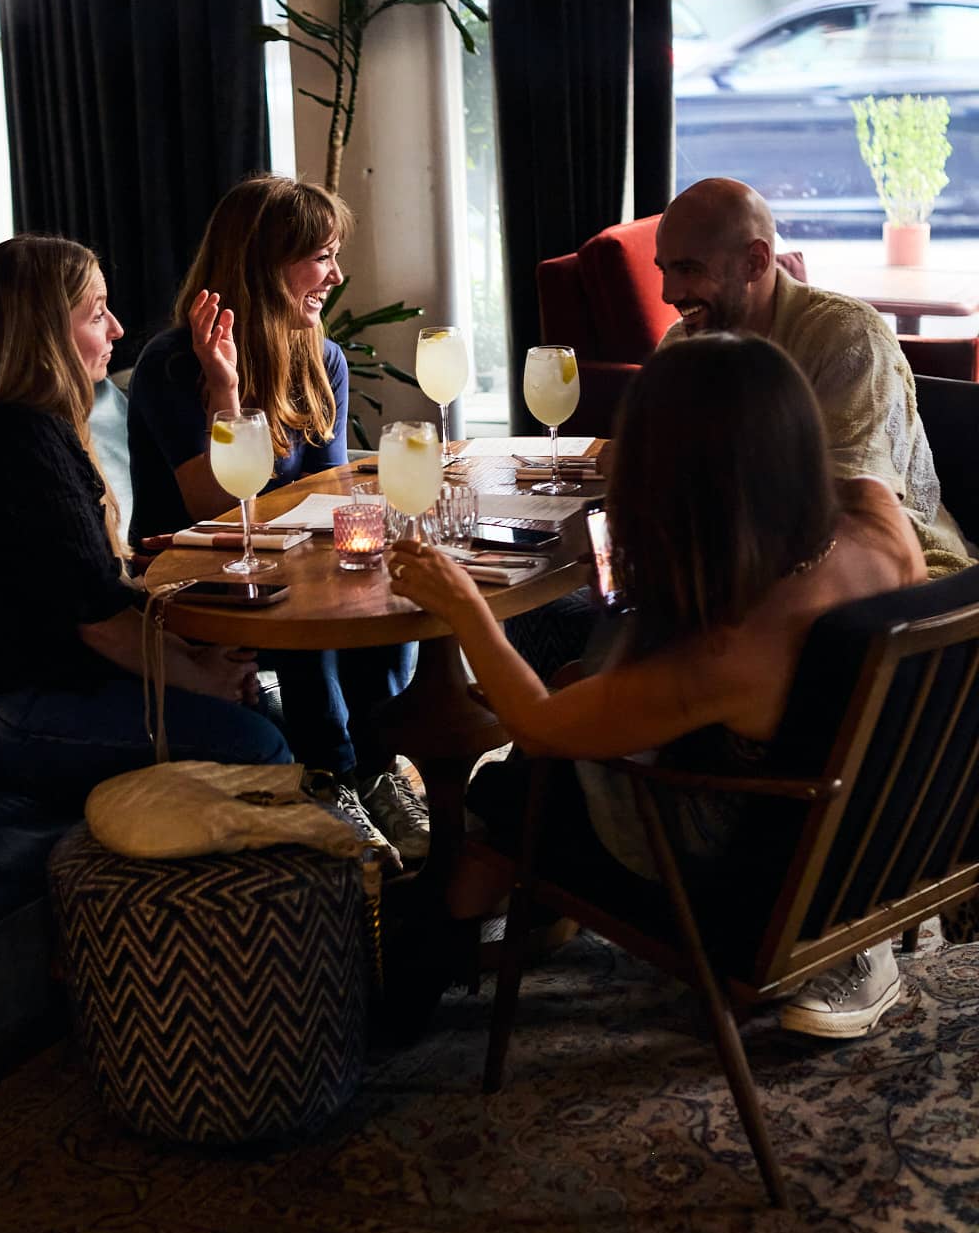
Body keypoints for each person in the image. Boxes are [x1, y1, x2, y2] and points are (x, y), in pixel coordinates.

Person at [389, 333, 926, 1039]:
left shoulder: (729, 651)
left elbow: (539, 722)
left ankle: (419, 971)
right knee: (572, 695)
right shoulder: (881, 525)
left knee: (521, 783)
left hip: (738, 889)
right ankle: (454, 927)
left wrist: (464, 608)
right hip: (868, 840)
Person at [0, 235, 291, 803]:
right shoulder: (12, 440)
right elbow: (97, 617)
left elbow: (84, 593)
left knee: (259, 704)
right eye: (97, 314)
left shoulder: (31, 426)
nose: (116, 329)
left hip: (31, 680)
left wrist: (197, 661)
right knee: (257, 745)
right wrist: (200, 676)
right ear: (41, 332)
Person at [127, 175, 424, 865]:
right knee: (308, 599)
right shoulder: (171, 364)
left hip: (282, 555)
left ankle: (376, 769)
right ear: (265, 262)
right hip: (193, 574)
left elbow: (328, 484)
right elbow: (215, 507)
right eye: (321, 256)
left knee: (380, 580)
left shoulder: (324, 358)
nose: (336, 274)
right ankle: (333, 774)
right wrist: (225, 392)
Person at [654, 178, 970, 577]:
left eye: (688, 269)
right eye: (664, 270)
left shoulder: (850, 336)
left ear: (755, 261)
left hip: (904, 579)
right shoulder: (681, 342)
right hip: (741, 564)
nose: (668, 293)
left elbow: (848, 509)